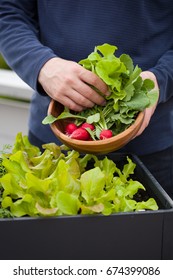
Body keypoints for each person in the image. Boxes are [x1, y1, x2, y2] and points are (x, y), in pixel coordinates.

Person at [0, 1, 173, 199]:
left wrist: (161, 79)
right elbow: (7, 11)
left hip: (150, 149)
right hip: (53, 139)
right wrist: (41, 65)